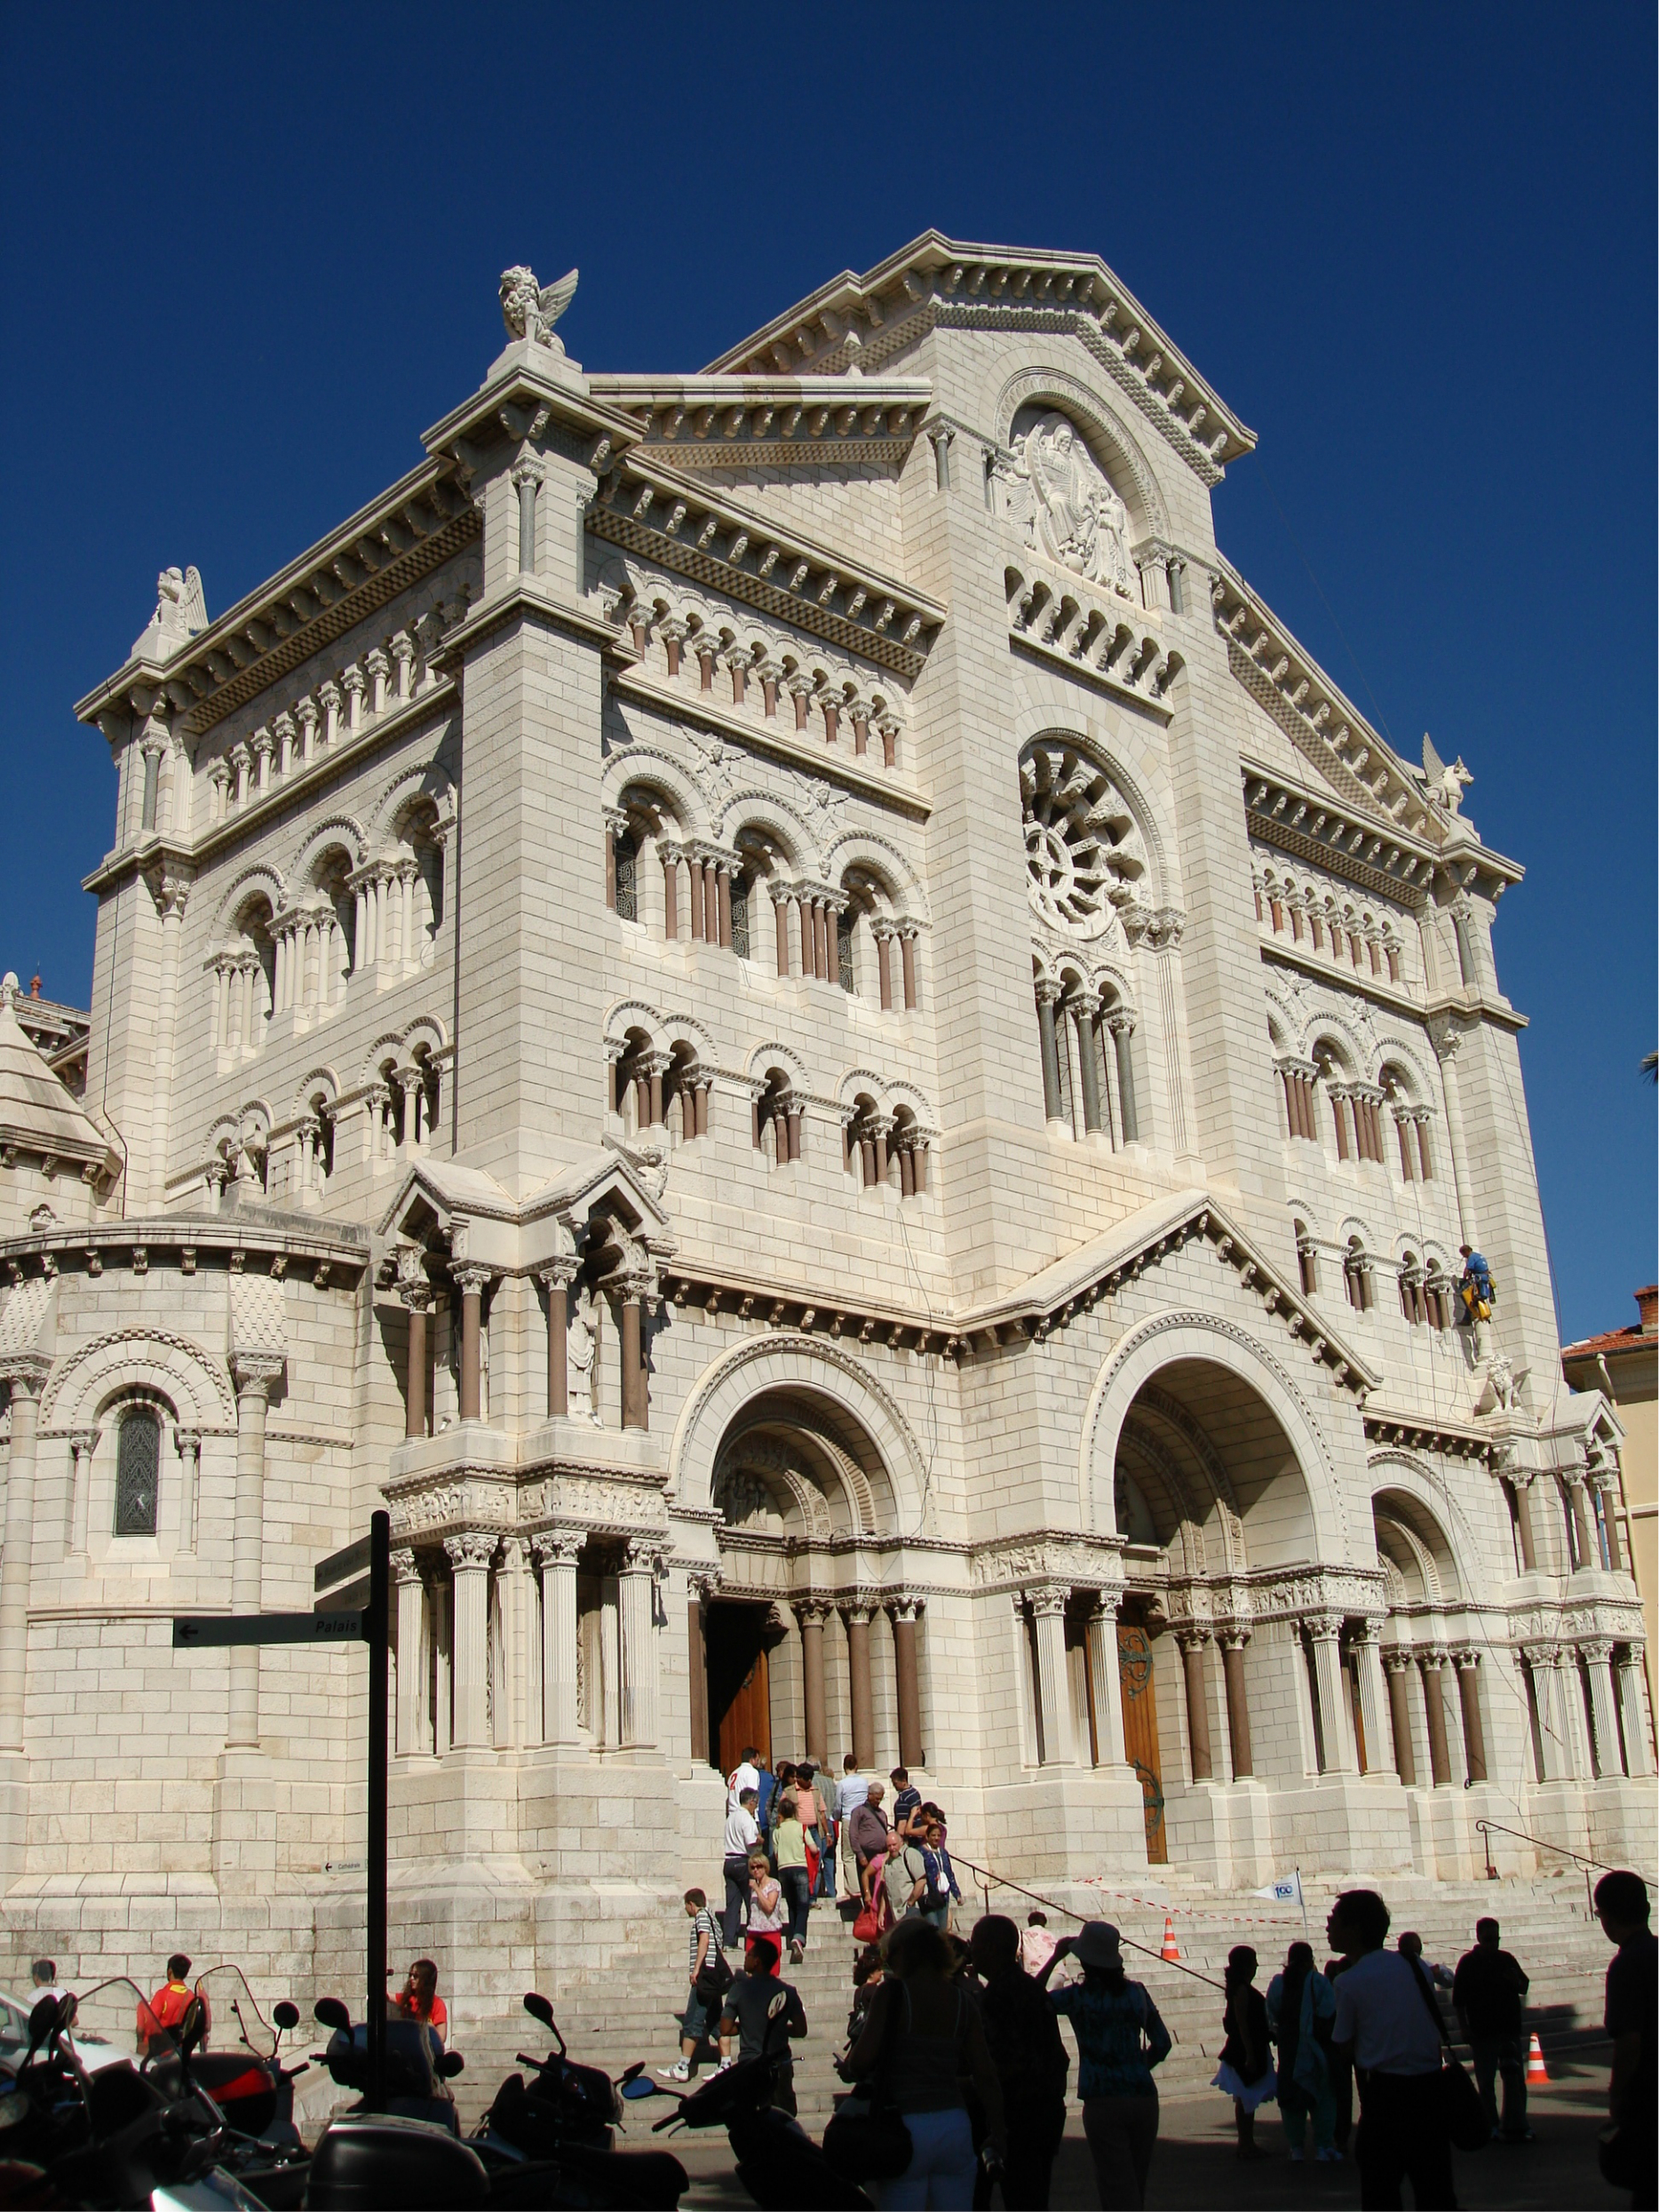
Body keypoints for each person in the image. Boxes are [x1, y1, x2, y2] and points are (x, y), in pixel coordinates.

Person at [840, 1914, 1006, 2209]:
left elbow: (860, 2062)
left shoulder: (892, 1994)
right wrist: (999, 2130)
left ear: (904, 1953)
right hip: (954, 2124)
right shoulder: (962, 2002)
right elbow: (986, 2074)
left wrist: (851, 2068)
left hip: (905, 2125)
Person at [1328, 1888, 1451, 2211]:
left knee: (1380, 2191)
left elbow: (1343, 2046)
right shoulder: (1414, 1965)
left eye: (1334, 1920)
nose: (1328, 1927)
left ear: (1354, 1929)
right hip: (1429, 2089)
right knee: (1435, 2189)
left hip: (1386, 2096)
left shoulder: (1348, 1982)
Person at [1036, 1922, 1170, 2210]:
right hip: (1142, 2095)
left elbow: (1032, 1999)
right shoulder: (1136, 1993)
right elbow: (1162, 2043)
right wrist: (1139, 2065)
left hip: (1102, 2098)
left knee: (1114, 2185)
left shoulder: (1077, 1997)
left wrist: (1056, 1957)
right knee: (1136, 2182)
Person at [968, 1915, 1068, 2211]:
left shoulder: (997, 1996)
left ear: (991, 1948)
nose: (971, 1950)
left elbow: (1001, 2063)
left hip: (1019, 2115)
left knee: (1022, 2196)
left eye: (977, 1943)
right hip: (1045, 2110)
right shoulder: (1029, 1988)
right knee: (1034, 2196)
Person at [1594, 1869, 1656, 2211]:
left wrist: (1617, 2095)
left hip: (1648, 2099)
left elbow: (1629, 2042)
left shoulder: (1627, 1964)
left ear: (1608, 1917)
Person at [1451, 1918, 1532, 2144]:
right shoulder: (1468, 1963)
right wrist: (1464, 2028)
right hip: (1482, 2030)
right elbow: (1459, 2001)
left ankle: (1516, 2122)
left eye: (1496, 1939)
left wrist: (1514, 1979)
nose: (1493, 1944)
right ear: (1478, 1938)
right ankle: (1491, 2124)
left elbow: (1524, 1986)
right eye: (1488, 1939)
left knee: (1515, 2079)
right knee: (1486, 2080)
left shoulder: (1506, 1959)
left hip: (1508, 2027)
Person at [1266, 1940, 1339, 2163]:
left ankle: (1296, 2146)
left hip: (1289, 2047)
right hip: (1316, 2046)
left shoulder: (1278, 1984)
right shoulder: (1318, 1982)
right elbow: (1330, 2011)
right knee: (1322, 2096)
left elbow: (1271, 2012)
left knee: (1291, 2098)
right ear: (1310, 1960)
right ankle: (1323, 2146)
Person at [719, 1932, 806, 2114]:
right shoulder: (788, 1992)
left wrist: (746, 2026)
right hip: (779, 2065)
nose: (745, 1958)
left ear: (757, 1961)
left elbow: (725, 2028)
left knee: (750, 2119)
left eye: (749, 1955)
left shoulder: (738, 1990)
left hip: (749, 2067)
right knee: (784, 2118)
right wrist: (778, 2027)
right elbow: (800, 2030)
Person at [1212, 1945, 1275, 2159]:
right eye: (1253, 1962)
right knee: (1245, 2096)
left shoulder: (1241, 1988)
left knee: (1245, 2098)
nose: (1257, 1966)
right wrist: (1250, 2054)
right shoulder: (1241, 1991)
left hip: (1249, 2046)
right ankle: (1245, 2142)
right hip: (1245, 2049)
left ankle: (1247, 2142)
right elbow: (1242, 2024)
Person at [661, 1888, 727, 2082]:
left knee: (692, 2021)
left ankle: (683, 2067)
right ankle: (726, 2063)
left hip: (705, 1977)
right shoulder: (713, 1917)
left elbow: (704, 1940)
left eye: (686, 1906)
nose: (686, 1910)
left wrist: (696, 1969)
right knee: (717, 2021)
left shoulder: (702, 1917)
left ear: (691, 1904)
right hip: (714, 1977)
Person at [139, 1953, 209, 2056]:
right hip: (178, 2052)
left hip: (160, 2051)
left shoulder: (162, 1995)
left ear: (170, 1971)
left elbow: (150, 2022)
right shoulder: (191, 1997)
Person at [774, 1790, 813, 1962]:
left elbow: (775, 1853)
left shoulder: (777, 1831)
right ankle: (799, 1936)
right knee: (803, 1905)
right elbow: (813, 1848)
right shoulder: (801, 1827)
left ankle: (792, 1938)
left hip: (783, 1869)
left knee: (791, 1905)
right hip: (800, 1867)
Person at [722, 1786, 761, 1945]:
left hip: (729, 1861)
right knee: (751, 1901)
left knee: (732, 1904)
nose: (756, 1807)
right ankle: (753, 1937)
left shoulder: (731, 1817)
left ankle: (729, 1940)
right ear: (751, 1802)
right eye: (756, 1804)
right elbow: (750, 1841)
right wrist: (760, 1840)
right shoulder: (746, 1818)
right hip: (742, 1861)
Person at [917, 1816, 961, 1933]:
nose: (936, 1838)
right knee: (933, 1928)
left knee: (942, 1930)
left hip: (943, 1896)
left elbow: (950, 1874)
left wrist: (957, 1894)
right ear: (927, 1836)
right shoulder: (921, 1852)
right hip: (929, 1896)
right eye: (933, 1835)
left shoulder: (944, 1853)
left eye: (938, 1835)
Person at [849, 1782, 890, 1908]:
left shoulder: (882, 1813)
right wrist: (860, 1854)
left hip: (881, 1854)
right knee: (868, 1887)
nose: (878, 1801)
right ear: (869, 1795)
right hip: (866, 1853)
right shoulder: (859, 1811)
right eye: (877, 1798)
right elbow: (853, 1834)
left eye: (880, 1798)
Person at [836, 1754, 872, 1892]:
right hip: (863, 1818)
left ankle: (854, 1888)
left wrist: (837, 1817)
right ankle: (864, 1884)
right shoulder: (864, 1781)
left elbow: (838, 1805)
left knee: (848, 1855)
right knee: (862, 1851)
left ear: (844, 1767)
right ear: (856, 1766)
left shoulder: (842, 1783)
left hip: (848, 1818)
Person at [392, 1959, 448, 2037]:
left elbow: (441, 2037)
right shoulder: (407, 1998)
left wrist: (428, 2027)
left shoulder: (438, 2004)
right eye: (410, 1975)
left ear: (425, 1979)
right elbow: (387, 1996)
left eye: (415, 1976)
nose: (411, 1979)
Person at [747, 1850, 785, 1940]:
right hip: (754, 1932)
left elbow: (769, 1907)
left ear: (765, 1867)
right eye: (753, 1868)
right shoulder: (753, 1887)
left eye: (759, 1866)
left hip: (770, 1932)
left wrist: (757, 1889)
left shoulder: (773, 1884)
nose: (756, 1870)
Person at [1457, 1245, 1495, 1324]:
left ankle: (1469, 1314)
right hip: (1485, 1278)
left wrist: (1464, 1279)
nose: (1464, 1257)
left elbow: (1467, 1270)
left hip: (1479, 1278)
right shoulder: (1479, 1256)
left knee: (1463, 1292)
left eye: (1464, 1255)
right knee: (1475, 1295)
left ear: (1466, 1252)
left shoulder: (1471, 1257)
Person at [890, 1767, 923, 1844]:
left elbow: (902, 1824)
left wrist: (897, 1843)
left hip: (910, 1840)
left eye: (895, 1783)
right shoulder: (915, 1792)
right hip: (919, 1836)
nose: (894, 1786)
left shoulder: (903, 1799)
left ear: (904, 1781)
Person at [1020, 1913, 1058, 1979]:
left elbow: (1017, 1952)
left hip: (1035, 1971)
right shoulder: (1051, 1935)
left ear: (1030, 1922)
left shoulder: (1023, 1933)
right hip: (1058, 1972)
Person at [726, 1745, 761, 1811]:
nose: (758, 1763)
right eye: (757, 1760)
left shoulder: (733, 1774)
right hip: (745, 1813)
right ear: (752, 1760)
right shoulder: (752, 1772)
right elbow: (752, 1795)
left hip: (732, 1813)